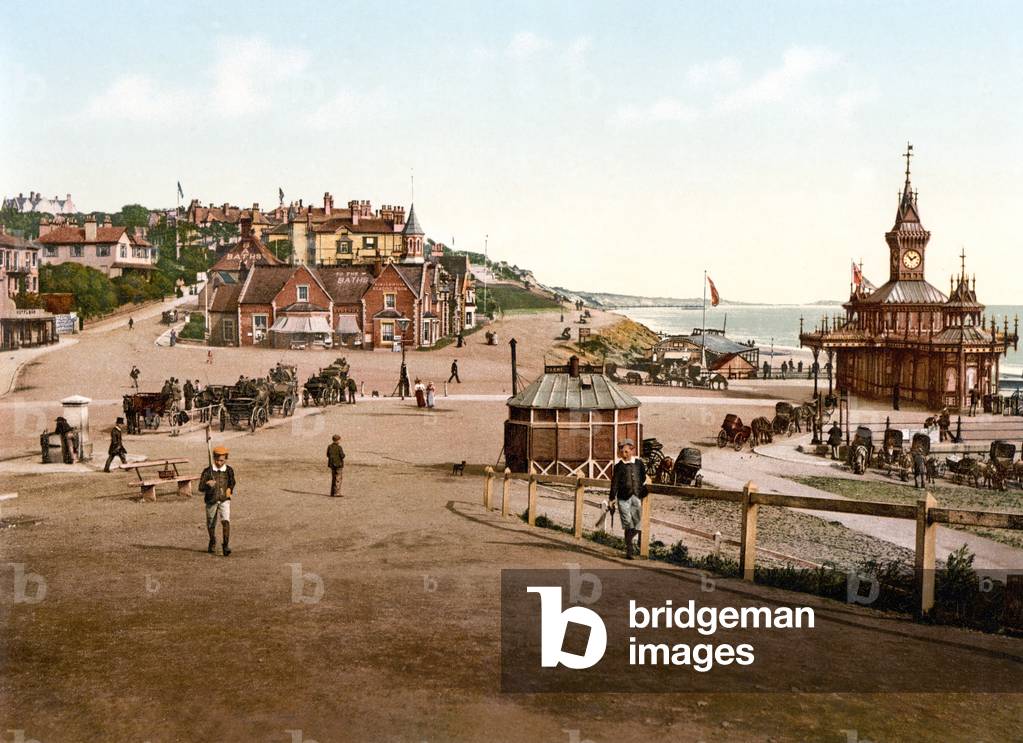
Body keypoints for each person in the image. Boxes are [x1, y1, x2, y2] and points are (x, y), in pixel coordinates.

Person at [609, 438, 647, 560]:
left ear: (632, 450)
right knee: (628, 524)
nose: (623, 454)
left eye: (626, 451)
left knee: (637, 524)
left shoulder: (639, 463)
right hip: (623, 498)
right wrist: (612, 498)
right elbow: (614, 483)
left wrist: (641, 490)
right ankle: (629, 549)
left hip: (636, 497)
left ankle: (630, 542)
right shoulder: (618, 466)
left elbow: (643, 478)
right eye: (621, 452)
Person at [200, 446, 235, 556]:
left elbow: (232, 482)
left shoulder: (229, 470)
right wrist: (207, 484)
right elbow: (200, 487)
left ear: (226, 459)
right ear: (214, 458)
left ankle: (226, 545)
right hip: (211, 500)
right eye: (217, 460)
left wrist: (229, 489)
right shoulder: (207, 471)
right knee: (211, 523)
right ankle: (212, 540)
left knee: (226, 521)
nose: (219, 463)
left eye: (222, 460)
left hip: (224, 500)